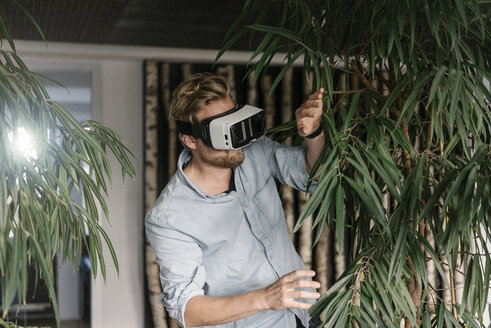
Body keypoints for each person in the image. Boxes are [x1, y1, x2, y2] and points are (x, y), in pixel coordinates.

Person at [145, 73, 325, 328]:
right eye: (223, 132)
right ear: (190, 140)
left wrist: (314, 135)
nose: (238, 141)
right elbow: (187, 310)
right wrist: (266, 297)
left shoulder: (254, 151)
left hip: (302, 315)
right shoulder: (168, 217)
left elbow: (311, 175)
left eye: (236, 123)